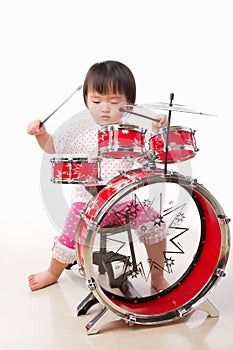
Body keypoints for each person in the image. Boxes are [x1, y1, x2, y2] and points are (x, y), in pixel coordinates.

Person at [27, 60, 169, 292]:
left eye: (114, 102)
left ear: (129, 105)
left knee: (155, 222)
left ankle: (157, 276)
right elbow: (53, 147)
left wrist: (158, 130)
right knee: (70, 230)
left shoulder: (130, 132)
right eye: (96, 101)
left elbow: (149, 159)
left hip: (122, 203)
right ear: (86, 100)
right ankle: (53, 271)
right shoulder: (77, 129)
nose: (105, 108)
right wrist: (40, 134)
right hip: (87, 204)